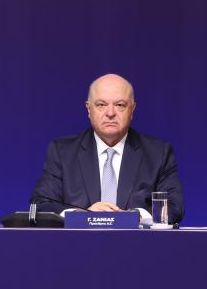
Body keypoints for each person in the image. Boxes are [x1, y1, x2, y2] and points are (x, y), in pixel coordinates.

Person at [30, 74, 184, 225]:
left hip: (136, 241)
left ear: (132, 109)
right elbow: (40, 205)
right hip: (79, 241)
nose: (110, 113)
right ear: (88, 109)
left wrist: (133, 217)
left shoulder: (158, 154)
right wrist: (81, 216)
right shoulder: (62, 152)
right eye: (101, 105)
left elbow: (174, 207)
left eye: (120, 105)